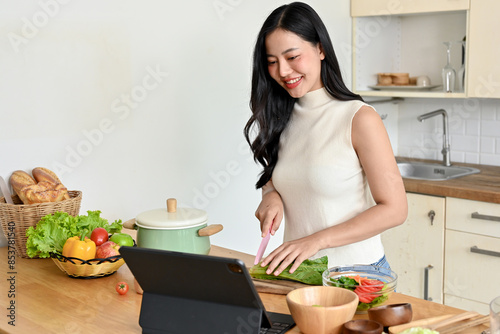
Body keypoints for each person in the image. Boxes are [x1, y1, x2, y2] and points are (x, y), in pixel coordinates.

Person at [244, 2, 408, 277]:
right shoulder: (282, 116)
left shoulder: (359, 118)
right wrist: (271, 194)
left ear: (320, 49)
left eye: (292, 57)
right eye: (272, 62)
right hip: (300, 275)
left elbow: (395, 209)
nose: (283, 71)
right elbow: (286, 173)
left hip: (357, 274)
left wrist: (316, 240)